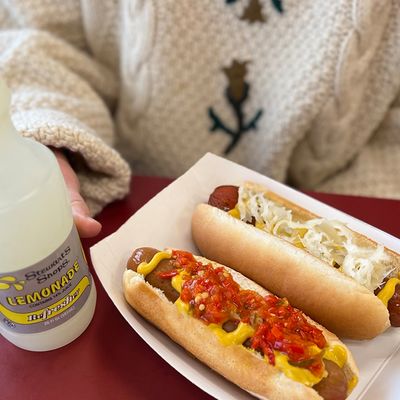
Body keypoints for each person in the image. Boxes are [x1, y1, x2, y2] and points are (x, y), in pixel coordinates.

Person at [1, 1, 399, 239]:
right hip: (116, 201)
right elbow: (33, 34)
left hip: (333, 202)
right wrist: (47, 143)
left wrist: (316, 230)